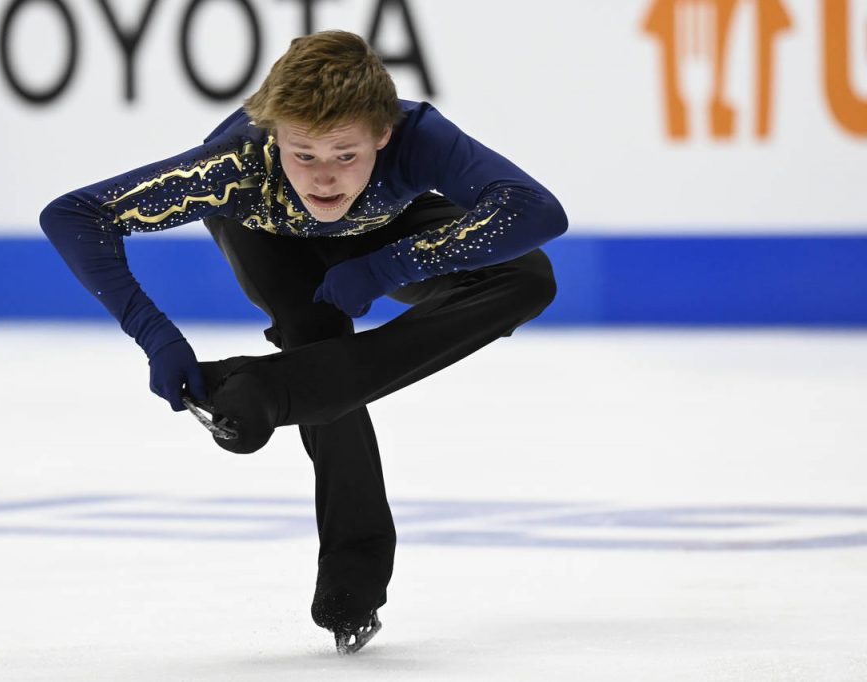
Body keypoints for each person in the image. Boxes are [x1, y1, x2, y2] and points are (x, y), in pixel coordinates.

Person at [40, 30, 567, 654]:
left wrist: (388, 266)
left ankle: (268, 387)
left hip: (382, 227)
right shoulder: (237, 163)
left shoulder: (419, 135)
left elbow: (537, 211)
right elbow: (75, 214)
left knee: (525, 278)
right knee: (313, 339)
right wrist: (156, 336)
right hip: (267, 236)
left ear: (384, 134)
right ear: (274, 135)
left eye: (345, 153)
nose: (323, 178)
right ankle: (351, 580)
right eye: (303, 153)